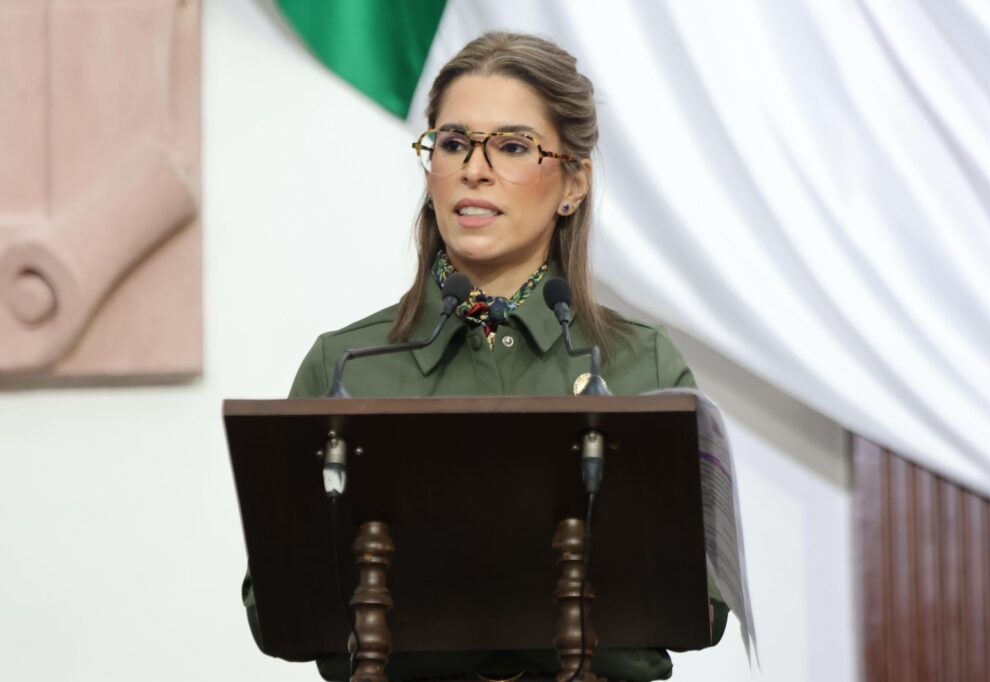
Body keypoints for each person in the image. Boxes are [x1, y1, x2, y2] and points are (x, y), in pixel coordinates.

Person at [243, 31, 728, 681]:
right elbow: (276, 611)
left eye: (512, 146)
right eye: (453, 143)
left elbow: (702, 606)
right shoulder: (347, 366)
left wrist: (450, 592)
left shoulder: (640, 364)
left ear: (573, 182)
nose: (474, 168)